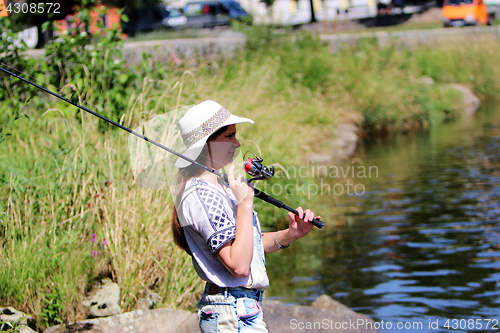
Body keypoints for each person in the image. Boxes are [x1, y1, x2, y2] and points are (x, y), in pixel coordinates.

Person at [171, 100, 318, 333]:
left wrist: (291, 234)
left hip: (242, 308)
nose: (237, 143)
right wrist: (244, 203)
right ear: (207, 143)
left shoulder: (219, 187)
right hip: (233, 311)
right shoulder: (200, 195)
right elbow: (239, 265)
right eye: (229, 136)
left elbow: (247, 244)